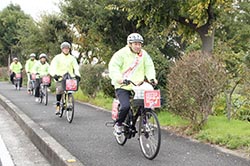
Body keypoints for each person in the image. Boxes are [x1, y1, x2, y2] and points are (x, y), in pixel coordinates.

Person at [108, 33, 157, 136]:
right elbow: (113, 67)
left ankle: (145, 119)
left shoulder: (144, 54)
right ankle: (119, 124)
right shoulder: (120, 54)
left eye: (140, 44)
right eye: (135, 44)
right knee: (125, 106)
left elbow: (149, 66)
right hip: (123, 85)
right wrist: (119, 79)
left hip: (139, 85)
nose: (138, 46)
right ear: (129, 44)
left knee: (149, 103)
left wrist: (151, 78)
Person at [49, 41, 81, 114]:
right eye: (64, 48)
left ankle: (69, 102)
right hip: (60, 77)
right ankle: (57, 106)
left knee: (70, 90)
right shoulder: (57, 58)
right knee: (60, 91)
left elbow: (76, 67)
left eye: (67, 48)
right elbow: (52, 67)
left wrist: (78, 75)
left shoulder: (72, 58)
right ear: (62, 49)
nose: (66, 50)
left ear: (69, 49)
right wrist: (54, 75)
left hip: (70, 77)